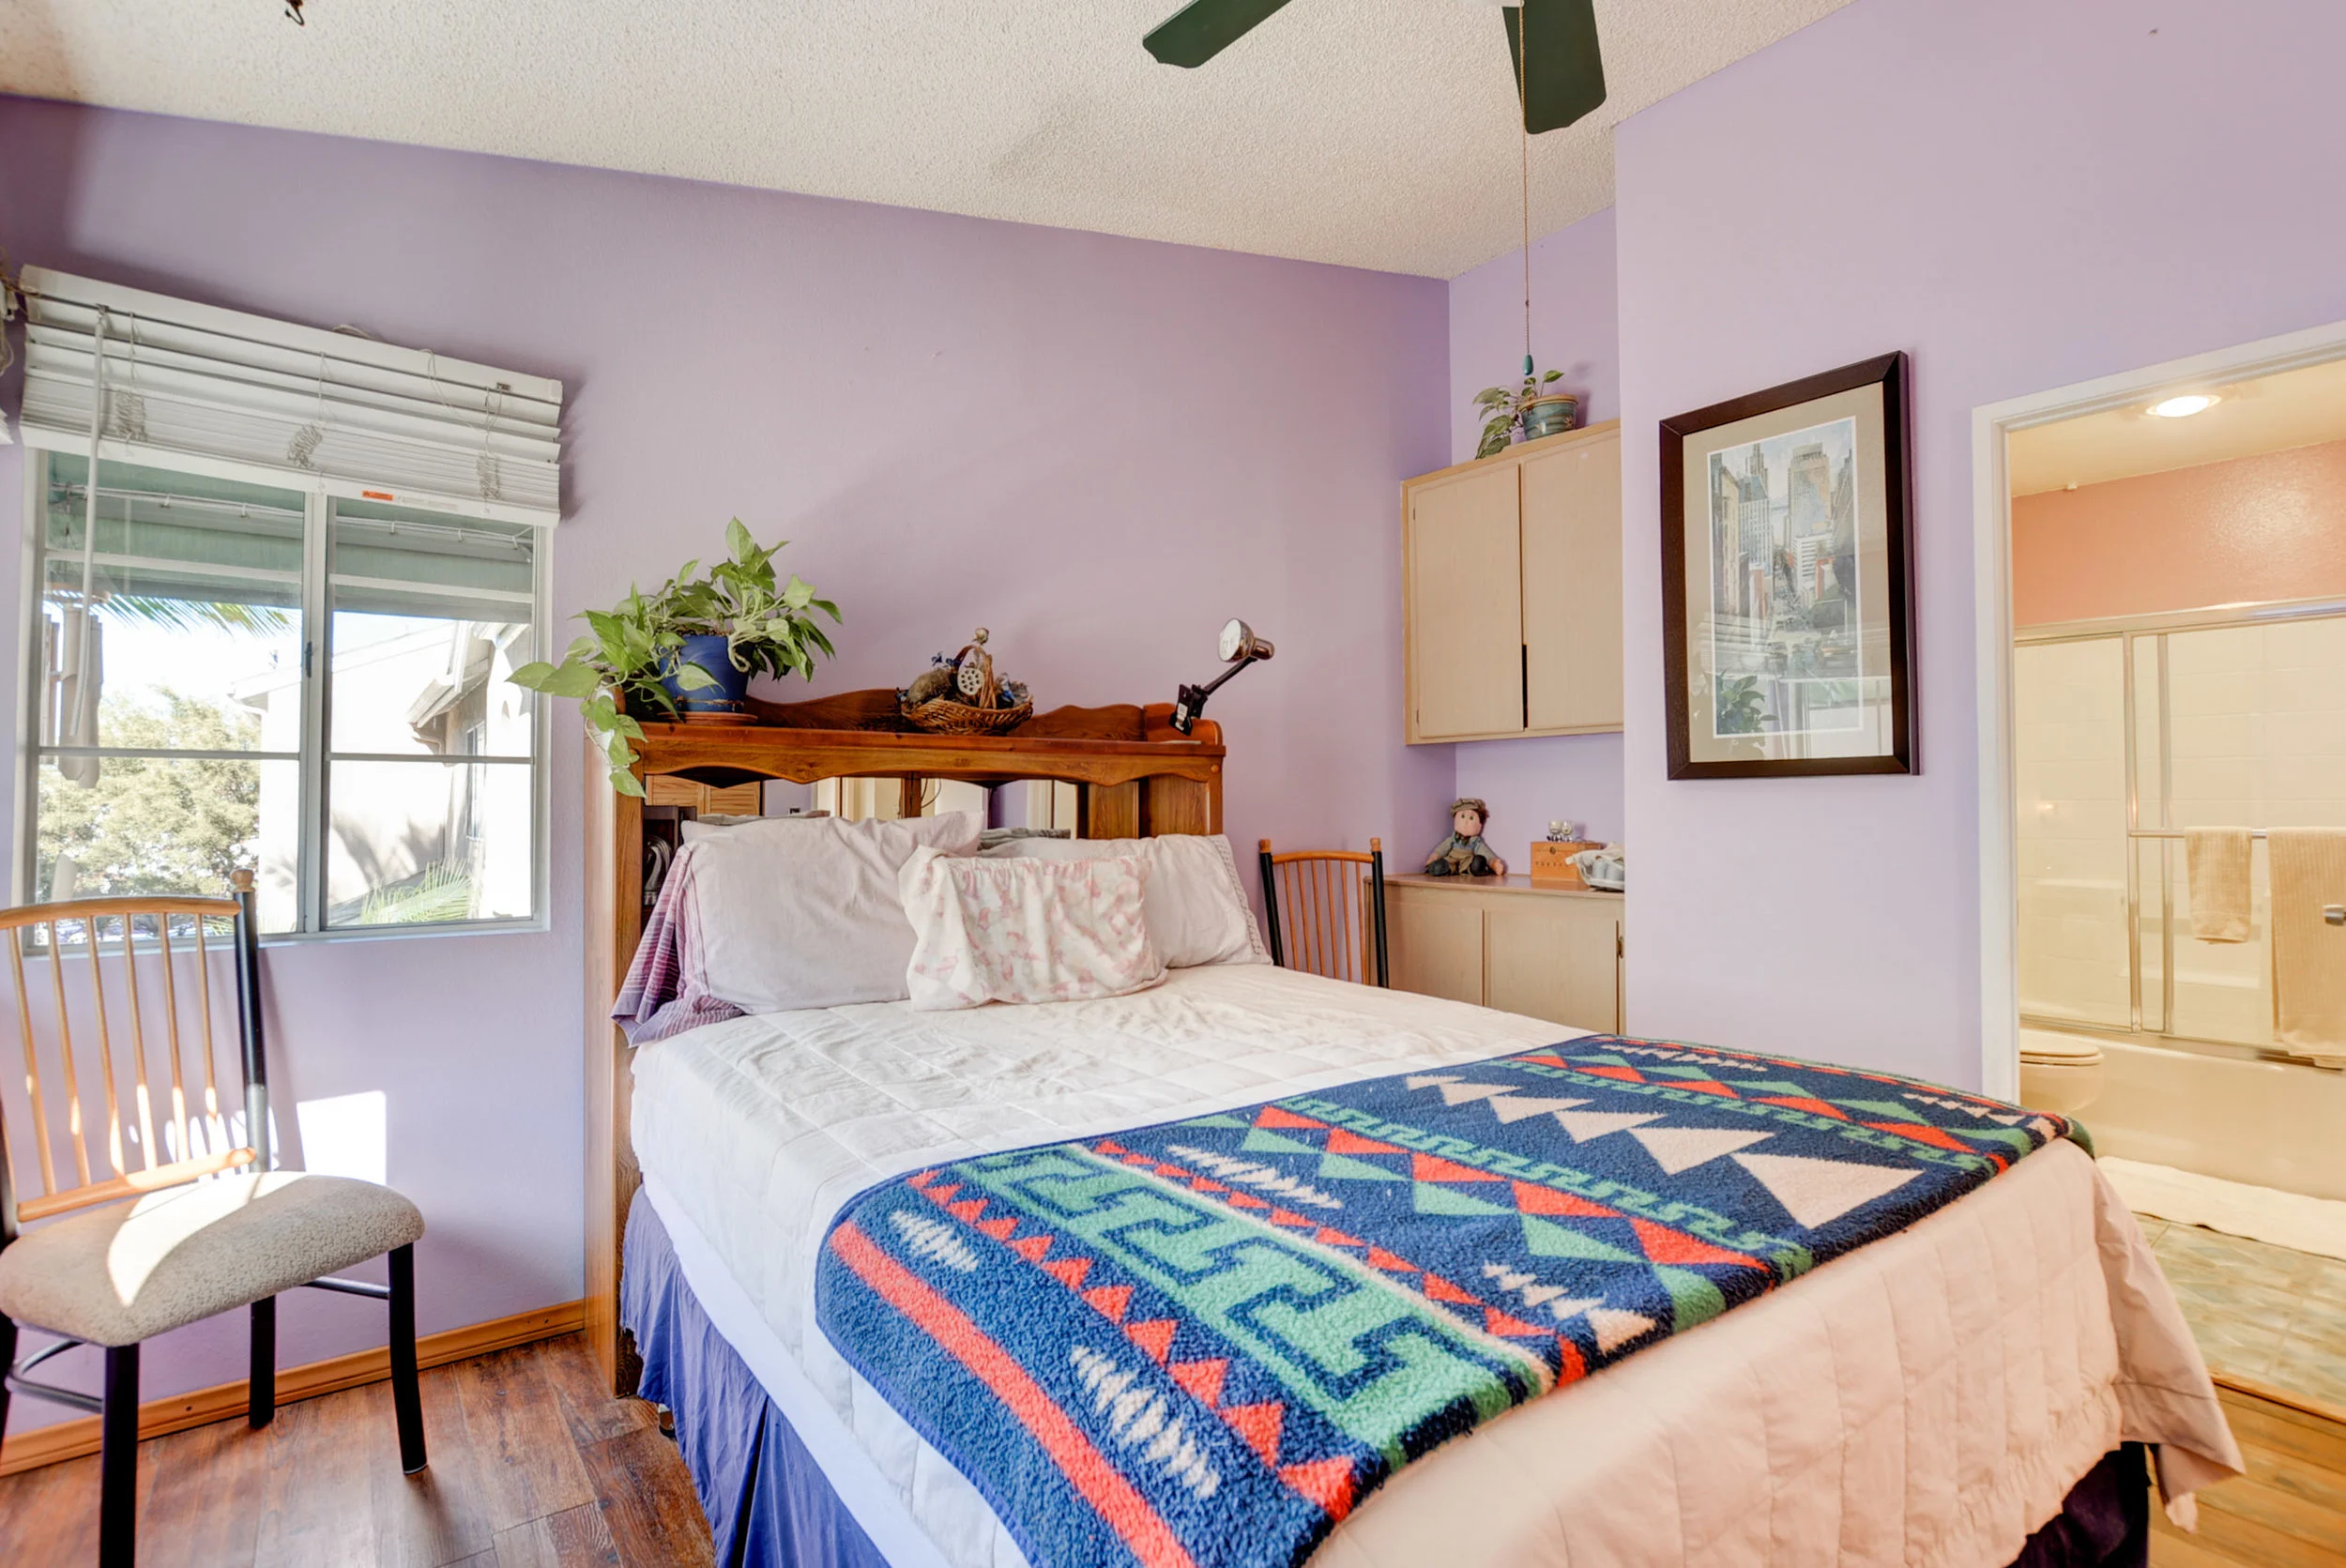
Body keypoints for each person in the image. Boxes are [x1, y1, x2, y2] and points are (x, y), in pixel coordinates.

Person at [1424, 798, 1506, 877]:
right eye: (1462, 816)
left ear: (1479, 825)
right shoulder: (1452, 839)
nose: (1466, 822)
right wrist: (1434, 857)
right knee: (1444, 864)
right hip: (1452, 859)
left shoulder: (1475, 841)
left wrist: (1493, 862)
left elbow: (1484, 851)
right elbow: (1442, 848)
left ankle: (1476, 868)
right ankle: (1441, 868)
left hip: (1467, 861)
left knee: (1475, 862)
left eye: (1471, 818)